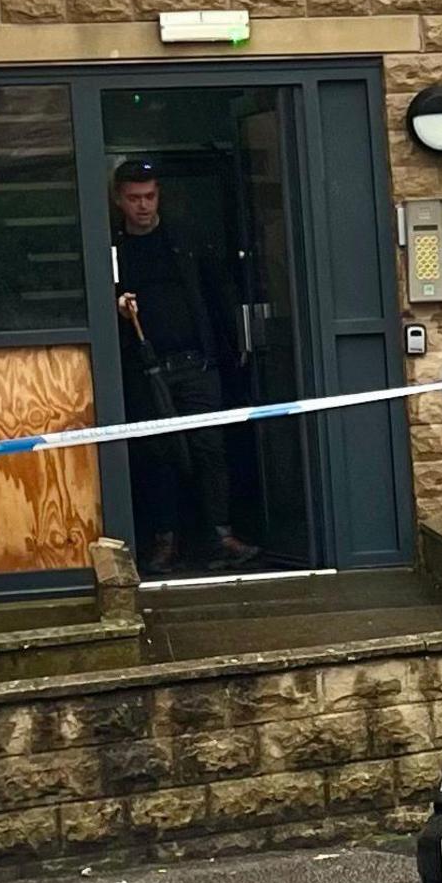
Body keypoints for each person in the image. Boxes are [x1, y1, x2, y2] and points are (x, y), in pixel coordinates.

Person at [108, 158, 261, 573]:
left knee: (209, 448)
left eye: (150, 196)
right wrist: (116, 306)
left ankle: (220, 535)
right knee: (158, 454)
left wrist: (232, 348)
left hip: (197, 362)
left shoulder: (186, 239)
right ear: (120, 200)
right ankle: (165, 541)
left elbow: (217, 293)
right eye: (135, 198)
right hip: (145, 368)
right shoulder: (112, 249)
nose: (144, 205)